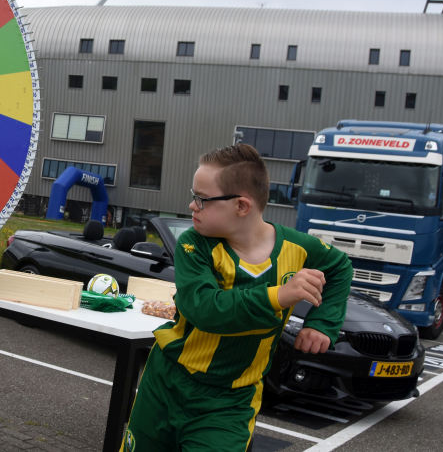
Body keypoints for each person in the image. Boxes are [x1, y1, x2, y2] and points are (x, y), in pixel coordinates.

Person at [121, 144, 352, 451]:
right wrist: (278, 296)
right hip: (167, 380)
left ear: (242, 206)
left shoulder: (298, 249)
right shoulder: (195, 244)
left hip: (230, 401)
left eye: (202, 199)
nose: (192, 206)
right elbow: (202, 307)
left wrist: (322, 324)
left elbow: (340, 267)